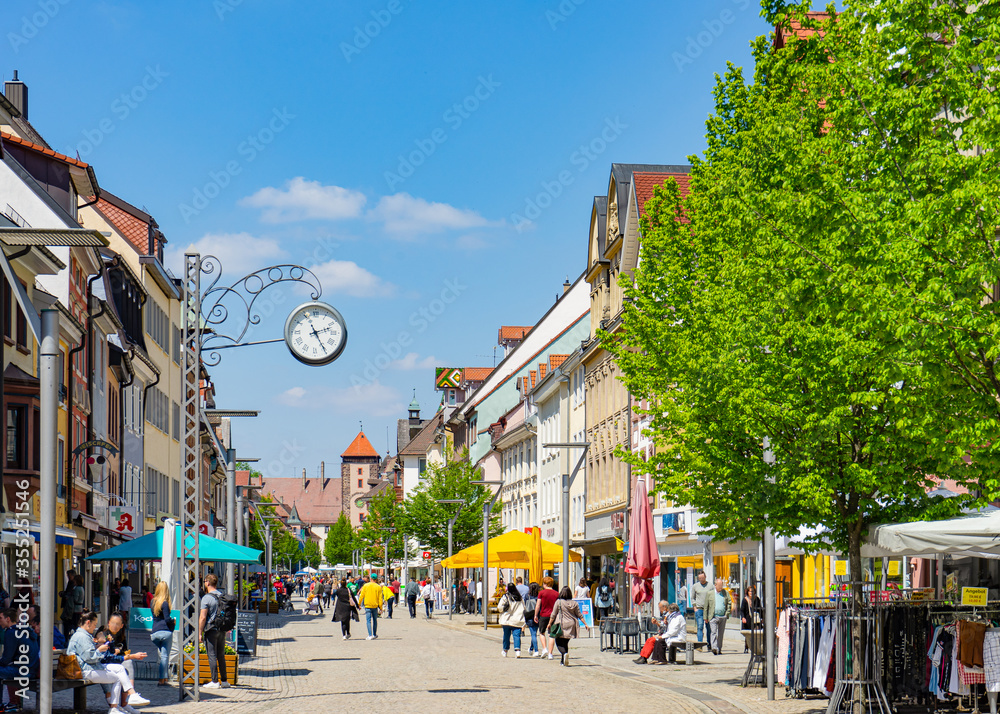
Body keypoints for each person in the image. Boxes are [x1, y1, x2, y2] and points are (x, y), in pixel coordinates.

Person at [67, 610, 149, 714]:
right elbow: (90, 658)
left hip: (89, 667)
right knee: (118, 677)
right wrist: (99, 650)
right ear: (88, 623)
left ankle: (131, 696)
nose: (95, 627)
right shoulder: (82, 636)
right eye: (94, 625)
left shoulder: (83, 635)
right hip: (85, 670)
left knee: (120, 669)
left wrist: (98, 648)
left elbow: (88, 655)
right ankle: (116, 707)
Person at [0, 608, 38, 710]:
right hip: (32, 669)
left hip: (23, 672)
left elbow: (6, 659)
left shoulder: (11, 632)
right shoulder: (25, 631)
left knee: (5, 671)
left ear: (8, 619)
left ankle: (12, 703)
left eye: (0, 618)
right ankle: (14, 703)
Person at [198, 573, 229, 689]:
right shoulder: (222, 596)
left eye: (205, 581)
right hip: (221, 629)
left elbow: (203, 617)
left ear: (208, 583)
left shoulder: (206, 598)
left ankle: (215, 681)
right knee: (221, 655)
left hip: (211, 629)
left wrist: (200, 632)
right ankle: (224, 681)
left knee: (211, 655)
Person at [548, 587, 582, 666]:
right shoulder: (574, 603)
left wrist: (549, 623)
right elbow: (579, 614)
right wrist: (586, 624)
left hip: (561, 624)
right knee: (565, 642)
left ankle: (564, 653)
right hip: (571, 624)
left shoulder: (558, 602)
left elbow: (553, 614)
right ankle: (563, 661)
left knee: (558, 642)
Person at [150, 582, 174, 687]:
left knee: (163, 655)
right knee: (165, 656)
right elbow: (167, 619)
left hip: (154, 633)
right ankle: (161, 680)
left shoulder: (153, 602)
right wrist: (173, 622)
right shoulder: (164, 603)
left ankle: (164, 678)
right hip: (165, 632)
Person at [497, 582, 525, 658]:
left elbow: (499, 607)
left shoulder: (505, 597)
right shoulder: (519, 597)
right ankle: (518, 651)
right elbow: (524, 607)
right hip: (517, 620)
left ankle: (505, 650)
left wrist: (503, 610)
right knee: (516, 635)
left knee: (506, 635)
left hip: (507, 619)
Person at [535, 576, 560, 660]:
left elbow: (538, 605)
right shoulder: (556, 594)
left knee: (542, 632)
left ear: (545, 584)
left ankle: (544, 648)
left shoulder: (541, 593)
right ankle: (550, 653)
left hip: (543, 615)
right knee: (551, 634)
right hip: (553, 616)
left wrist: (535, 615)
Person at [706, 577, 732, 655]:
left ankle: (719, 648)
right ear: (715, 585)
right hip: (713, 616)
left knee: (721, 634)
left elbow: (729, 602)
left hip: (722, 616)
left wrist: (727, 613)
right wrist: (705, 617)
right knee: (713, 632)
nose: (721, 587)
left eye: (722, 586)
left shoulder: (725, 593)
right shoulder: (710, 593)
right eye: (719, 586)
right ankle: (714, 648)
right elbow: (706, 606)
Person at [358, 575, 384, 640]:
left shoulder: (366, 585)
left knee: (368, 621)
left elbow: (362, 595)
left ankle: (370, 635)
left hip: (367, 605)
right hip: (375, 605)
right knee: (375, 620)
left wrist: (359, 604)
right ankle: (374, 634)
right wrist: (381, 607)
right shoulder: (378, 587)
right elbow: (380, 598)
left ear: (371, 578)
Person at [740, 585, 762, 652]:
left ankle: (755, 647)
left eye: (752, 591)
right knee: (748, 634)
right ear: (747, 592)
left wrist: (762, 618)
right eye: (749, 591)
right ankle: (746, 647)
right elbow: (742, 610)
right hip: (748, 619)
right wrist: (743, 617)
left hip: (756, 619)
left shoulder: (757, 599)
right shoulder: (745, 600)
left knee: (756, 633)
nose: (751, 593)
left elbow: (760, 609)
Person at [691, 571, 711, 643]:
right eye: (700, 578)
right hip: (699, 610)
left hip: (708, 610)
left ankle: (709, 644)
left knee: (709, 628)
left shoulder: (710, 586)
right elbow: (692, 598)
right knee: (700, 627)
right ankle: (700, 644)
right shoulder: (695, 586)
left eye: (702, 578)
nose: (701, 579)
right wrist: (695, 607)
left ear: (705, 577)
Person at [523, 582, 540, 656]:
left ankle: (536, 650)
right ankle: (531, 648)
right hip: (538, 616)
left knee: (533, 634)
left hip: (529, 616)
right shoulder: (539, 596)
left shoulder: (527, 596)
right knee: (534, 633)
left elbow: (524, 604)